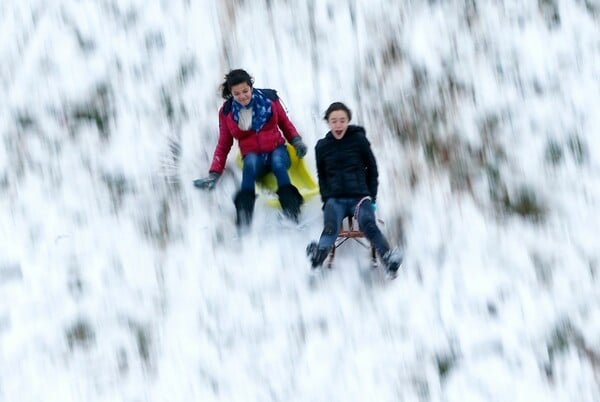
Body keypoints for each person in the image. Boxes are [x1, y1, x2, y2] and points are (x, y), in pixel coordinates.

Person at [194, 69, 308, 228]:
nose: (242, 96)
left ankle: (292, 212)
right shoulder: (227, 112)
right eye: (237, 93)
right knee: (250, 165)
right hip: (253, 156)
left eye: (245, 91)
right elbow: (223, 144)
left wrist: (296, 141)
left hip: (277, 149)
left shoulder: (269, 100)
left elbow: (285, 123)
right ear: (231, 93)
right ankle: (244, 219)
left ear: (251, 87)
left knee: (278, 163)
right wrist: (214, 173)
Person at [306, 102, 403, 278]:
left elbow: (372, 170)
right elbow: (322, 176)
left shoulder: (359, 141)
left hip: (359, 197)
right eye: (334, 120)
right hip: (335, 199)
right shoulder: (322, 146)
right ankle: (318, 255)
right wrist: (326, 199)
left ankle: (389, 260)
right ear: (328, 122)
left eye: (342, 120)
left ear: (348, 121)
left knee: (369, 224)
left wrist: (371, 197)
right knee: (331, 226)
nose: (338, 124)